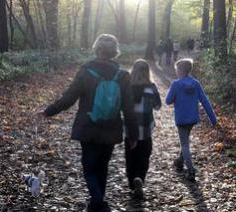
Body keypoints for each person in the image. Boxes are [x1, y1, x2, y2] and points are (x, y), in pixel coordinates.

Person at [37, 34, 139, 212]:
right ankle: (96, 202)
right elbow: (128, 107)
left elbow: (69, 97)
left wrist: (49, 111)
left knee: (89, 166)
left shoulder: (86, 71)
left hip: (88, 127)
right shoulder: (123, 75)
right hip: (111, 128)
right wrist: (133, 133)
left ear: (97, 49)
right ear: (114, 51)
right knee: (103, 166)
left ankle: (98, 202)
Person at [165, 58, 217, 183]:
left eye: (176, 69)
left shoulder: (176, 84)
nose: (176, 71)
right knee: (185, 140)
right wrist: (213, 118)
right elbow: (205, 101)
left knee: (184, 144)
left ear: (180, 70)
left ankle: (191, 170)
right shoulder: (196, 83)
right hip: (193, 118)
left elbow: (168, 100)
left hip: (181, 119)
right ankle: (179, 161)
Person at [125, 59, 162, 198]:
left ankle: (132, 184)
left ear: (133, 71)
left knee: (130, 157)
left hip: (129, 131)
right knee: (144, 155)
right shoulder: (151, 87)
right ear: (148, 72)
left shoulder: (127, 86)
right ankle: (139, 178)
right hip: (145, 130)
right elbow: (158, 106)